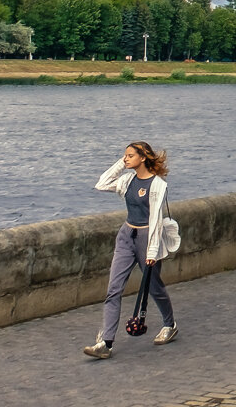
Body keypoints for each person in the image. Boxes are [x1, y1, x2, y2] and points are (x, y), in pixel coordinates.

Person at [83, 142, 178, 359]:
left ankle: (169, 324)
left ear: (143, 157)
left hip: (147, 239)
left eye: (129, 156)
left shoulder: (158, 185)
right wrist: (121, 164)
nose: (125, 159)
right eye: (124, 156)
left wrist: (152, 252)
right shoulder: (127, 180)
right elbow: (102, 184)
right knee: (113, 289)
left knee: (154, 288)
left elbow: (156, 220)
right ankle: (105, 343)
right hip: (126, 236)